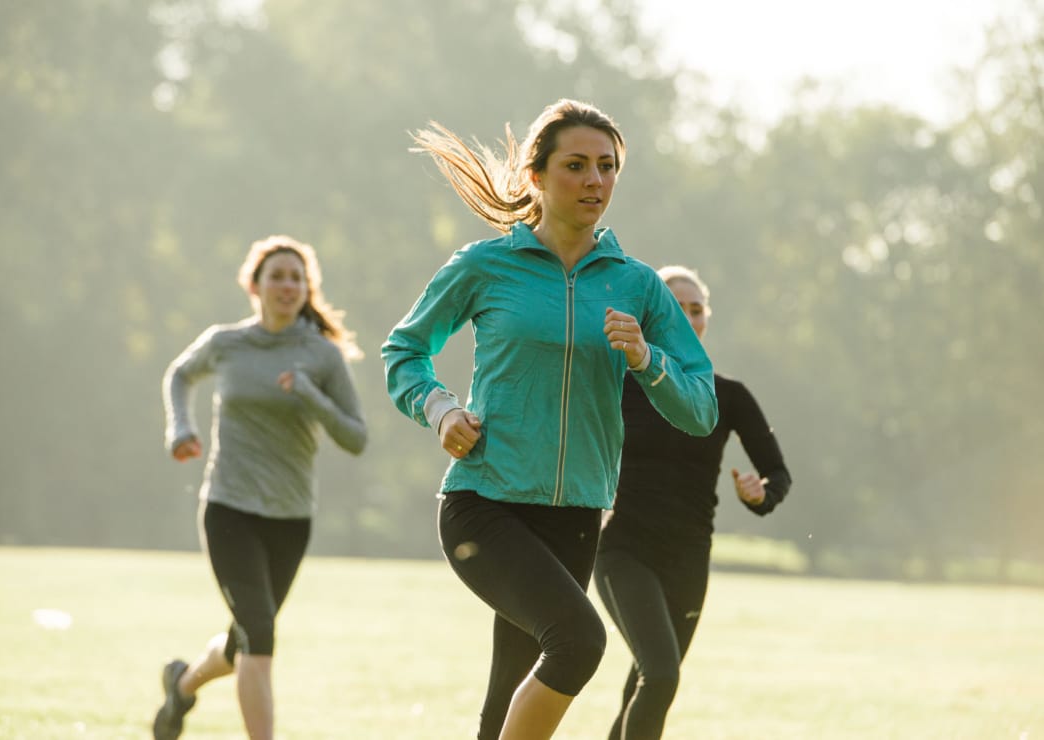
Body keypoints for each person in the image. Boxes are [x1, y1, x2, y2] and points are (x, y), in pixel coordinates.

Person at [381, 99, 718, 740]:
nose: (595, 180)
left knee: (507, 695)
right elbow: (405, 350)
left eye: (607, 166)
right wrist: (440, 408)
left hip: (576, 515)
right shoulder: (485, 266)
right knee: (579, 642)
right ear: (536, 175)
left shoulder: (638, 286)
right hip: (484, 503)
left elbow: (701, 408)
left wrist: (646, 359)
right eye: (577, 165)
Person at [153, 235, 367, 740]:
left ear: (307, 289)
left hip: (291, 518)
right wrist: (179, 427)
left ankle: (182, 685)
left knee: (246, 638)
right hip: (229, 508)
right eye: (277, 276)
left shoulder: (322, 356)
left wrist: (310, 394)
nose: (287, 285)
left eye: (297, 278)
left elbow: (356, 438)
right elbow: (180, 375)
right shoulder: (226, 343)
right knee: (260, 633)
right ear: (254, 286)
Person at [594, 265, 793, 740]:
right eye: (675, 307)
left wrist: (760, 494)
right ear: (652, 315)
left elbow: (777, 473)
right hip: (624, 550)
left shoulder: (729, 395)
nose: (687, 316)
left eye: (696, 308)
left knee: (649, 682)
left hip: (688, 560)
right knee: (661, 675)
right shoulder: (619, 382)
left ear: (707, 318)